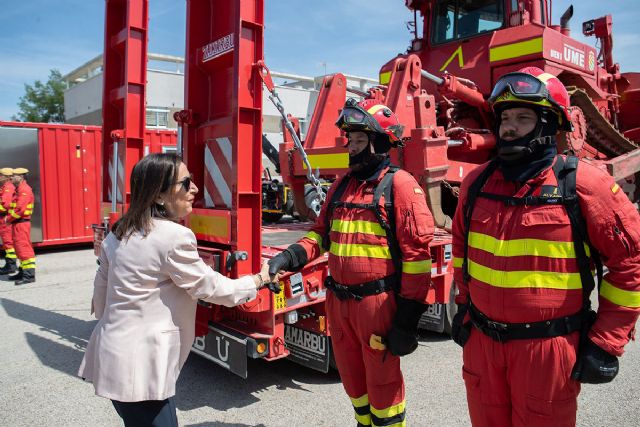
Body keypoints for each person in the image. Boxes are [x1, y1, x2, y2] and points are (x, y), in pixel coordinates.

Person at [451, 67, 640, 426]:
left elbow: (630, 263)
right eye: (505, 117)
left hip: (548, 352)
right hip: (483, 348)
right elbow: (462, 251)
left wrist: (607, 340)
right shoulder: (476, 184)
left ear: (551, 124)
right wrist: (464, 306)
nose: (509, 127)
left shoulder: (584, 185)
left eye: (523, 117)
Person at [269, 99, 434, 427]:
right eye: (351, 141)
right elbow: (320, 235)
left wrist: (406, 321)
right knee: (354, 384)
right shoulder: (343, 185)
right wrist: (290, 256)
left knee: (383, 388)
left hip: (377, 306)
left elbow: (417, 260)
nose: (352, 148)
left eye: (360, 141)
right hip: (339, 305)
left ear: (380, 142)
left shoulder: (399, 186)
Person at [78, 153, 274, 427]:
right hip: (143, 366)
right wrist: (258, 280)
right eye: (185, 183)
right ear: (159, 195)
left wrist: (107, 321)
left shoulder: (119, 232)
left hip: (114, 354)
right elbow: (212, 288)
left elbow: (101, 285)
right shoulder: (174, 237)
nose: (194, 189)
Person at [6, 167, 35, 285]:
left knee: (24, 248)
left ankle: (29, 275)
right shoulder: (19, 189)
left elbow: (19, 210)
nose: (11, 177)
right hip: (18, 223)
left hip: (21, 223)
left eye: (14, 176)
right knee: (19, 249)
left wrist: (8, 219)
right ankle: (22, 272)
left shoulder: (24, 190)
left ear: (21, 177)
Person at [0, 167, 17, 275]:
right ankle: (10, 264)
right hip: (4, 219)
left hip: (5, 219)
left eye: (0, 175)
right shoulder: (5, 187)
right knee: (7, 243)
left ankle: (11, 266)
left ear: (6, 177)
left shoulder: (8, 188)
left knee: (8, 242)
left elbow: (5, 205)